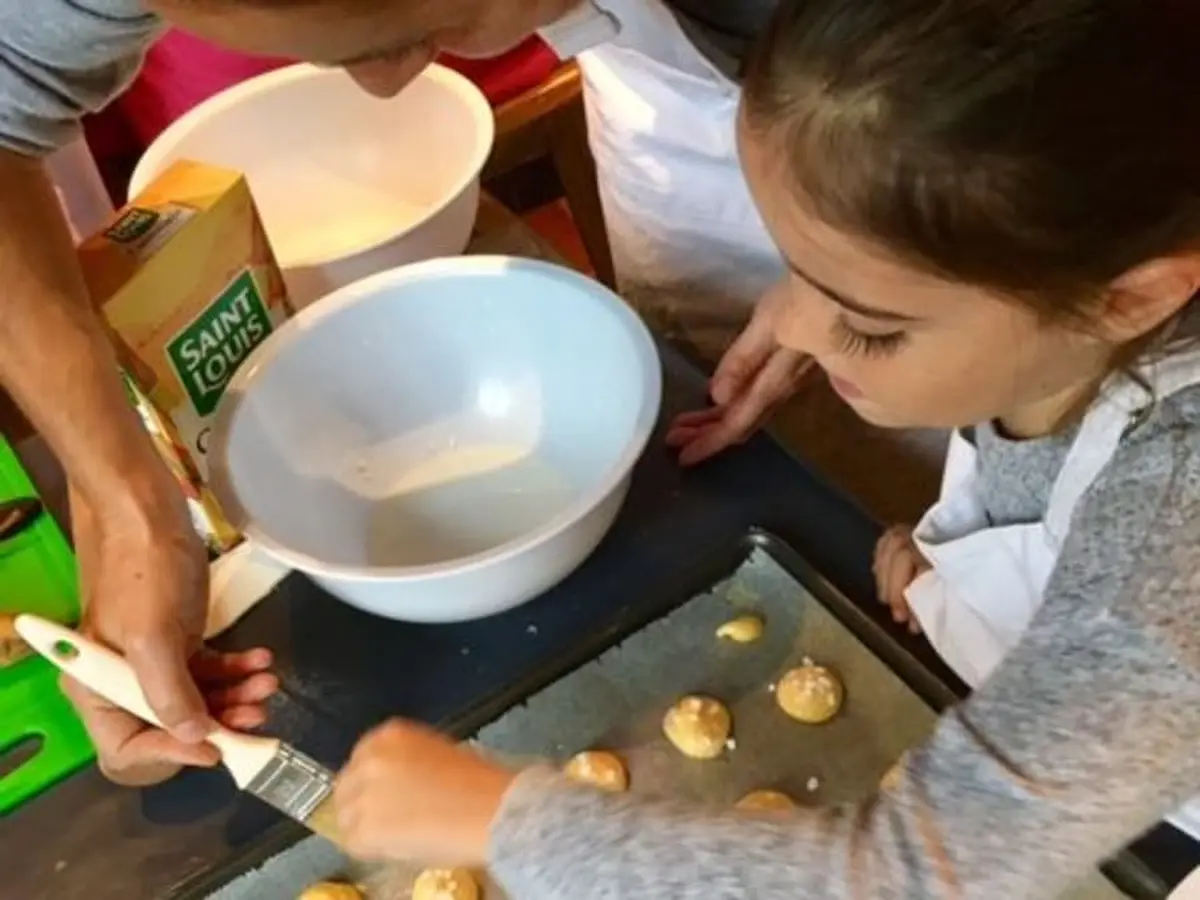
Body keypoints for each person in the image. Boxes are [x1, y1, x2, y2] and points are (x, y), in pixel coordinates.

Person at [328, 1, 1200, 896]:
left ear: (1125, 301)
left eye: (867, 322)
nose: (807, 337)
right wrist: (969, 572)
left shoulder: (1175, 530)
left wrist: (507, 821)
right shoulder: (1072, 323)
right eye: (793, 266)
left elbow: (907, 880)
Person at [0, 0, 802, 786]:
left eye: (417, 35)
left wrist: (859, 279)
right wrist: (127, 506)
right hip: (679, 91)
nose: (383, 91)